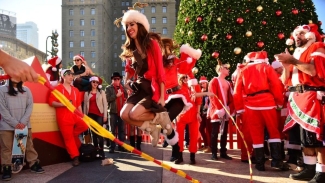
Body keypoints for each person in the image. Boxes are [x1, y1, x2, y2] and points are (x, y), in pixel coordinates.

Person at [117, 6, 176, 147]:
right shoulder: (131, 49)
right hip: (139, 86)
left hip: (151, 87)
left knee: (134, 114)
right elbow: (129, 69)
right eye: (127, 26)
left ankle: (162, 117)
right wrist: (126, 81)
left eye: (132, 24)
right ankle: (152, 129)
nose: (129, 28)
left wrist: (162, 96)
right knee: (124, 114)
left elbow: (160, 71)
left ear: (139, 25)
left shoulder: (151, 44)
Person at [276, 23, 325, 182]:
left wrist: (292, 60)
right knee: (305, 137)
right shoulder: (296, 52)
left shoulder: (317, 46)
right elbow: (284, 80)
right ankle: (309, 169)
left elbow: (313, 71)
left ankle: (322, 172)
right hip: (297, 97)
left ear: (310, 36)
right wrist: (285, 66)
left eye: (302, 34)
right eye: (296, 34)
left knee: (317, 136)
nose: (298, 36)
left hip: (312, 95)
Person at [234, 51, 289, 171]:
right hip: (267, 103)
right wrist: (279, 102)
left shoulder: (243, 70)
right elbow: (276, 85)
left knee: (256, 133)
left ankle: (259, 163)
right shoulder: (267, 67)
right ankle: (276, 161)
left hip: (250, 105)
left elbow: (237, 91)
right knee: (273, 131)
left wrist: (239, 108)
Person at [160, 38, 202, 161]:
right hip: (165, 98)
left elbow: (185, 67)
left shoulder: (175, 62)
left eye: (168, 47)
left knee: (189, 134)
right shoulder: (158, 62)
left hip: (180, 101)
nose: (167, 50)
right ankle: (177, 152)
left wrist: (188, 53)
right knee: (165, 124)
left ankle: (184, 154)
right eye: (164, 47)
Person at [0, 79, 44, 181]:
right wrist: (15, 123)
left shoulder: (26, 90)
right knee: (6, 147)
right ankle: (7, 167)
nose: (16, 76)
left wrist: (23, 122)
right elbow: (2, 109)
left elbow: (30, 107)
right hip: (6, 126)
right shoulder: (2, 90)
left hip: (24, 125)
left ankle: (34, 164)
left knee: (28, 145)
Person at [48, 69, 89, 166]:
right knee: (68, 139)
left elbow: (78, 104)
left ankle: (73, 135)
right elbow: (51, 102)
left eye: (72, 75)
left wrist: (82, 116)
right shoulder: (57, 89)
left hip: (75, 115)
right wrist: (63, 104)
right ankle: (75, 157)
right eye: (69, 75)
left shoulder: (75, 90)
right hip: (63, 117)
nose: (71, 77)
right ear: (63, 76)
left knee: (85, 125)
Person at [207, 61, 234, 161]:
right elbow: (212, 96)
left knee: (224, 132)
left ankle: (223, 151)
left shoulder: (228, 83)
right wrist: (219, 108)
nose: (228, 69)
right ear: (221, 69)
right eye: (226, 68)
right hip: (217, 110)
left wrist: (229, 108)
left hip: (225, 110)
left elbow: (231, 97)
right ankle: (214, 152)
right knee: (215, 132)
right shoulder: (214, 81)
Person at [174, 74, 202, 164]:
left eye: (187, 77)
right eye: (183, 77)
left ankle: (192, 157)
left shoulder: (195, 86)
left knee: (194, 135)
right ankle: (179, 156)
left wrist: (198, 113)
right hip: (181, 115)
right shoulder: (178, 87)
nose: (186, 79)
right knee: (179, 136)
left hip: (193, 114)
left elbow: (199, 101)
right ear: (180, 78)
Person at [83, 76, 107, 158]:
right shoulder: (87, 93)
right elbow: (85, 106)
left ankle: (101, 150)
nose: (95, 84)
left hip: (99, 114)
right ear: (90, 83)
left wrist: (105, 115)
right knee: (93, 133)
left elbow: (105, 104)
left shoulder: (101, 92)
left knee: (99, 133)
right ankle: (96, 149)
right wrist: (84, 116)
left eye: (97, 82)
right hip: (90, 115)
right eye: (93, 82)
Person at [105, 72, 127, 153]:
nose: (117, 80)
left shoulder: (123, 88)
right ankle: (112, 147)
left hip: (121, 112)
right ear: (112, 80)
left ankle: (121, 146)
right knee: (112, 130)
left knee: (121, 130)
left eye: (118, 79)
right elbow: (107, 99)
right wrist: (116, 96)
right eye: (115, 79)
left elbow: (126, 97)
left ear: (120, 79)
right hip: (112, 112)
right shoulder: (108, 88)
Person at [198, 76, 211, 153]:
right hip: (203, 113)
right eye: (202, 83)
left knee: (209, 130)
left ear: (207, 83)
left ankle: (210, 146)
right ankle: (206, 145)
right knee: (201, 129)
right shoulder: (201, 92)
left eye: (204, 83)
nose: (203, 84)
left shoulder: (209, 90)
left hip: (209, 113)